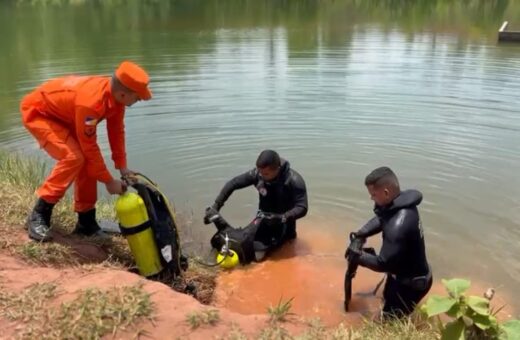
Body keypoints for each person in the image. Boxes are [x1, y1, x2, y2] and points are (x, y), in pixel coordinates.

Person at [20, 61, 152, 242]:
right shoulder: (91, 105)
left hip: (69, 117)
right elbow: (89, 147)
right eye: (137, 98)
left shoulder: (116, 100)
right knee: (74, 158)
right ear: (123, 94)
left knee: (88, 162)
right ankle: (39, 213)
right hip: (40, 115)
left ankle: (86, 222)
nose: (138, 101)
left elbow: (116, 132)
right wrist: (108, 180)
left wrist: (122, 167)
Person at [348, 166, 432, 318]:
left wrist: (357, 255)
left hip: (411, 285)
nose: (371, 198)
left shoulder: (399, 225)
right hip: (402, 273)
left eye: (373, 194)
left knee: (389, 320)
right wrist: (361, 234)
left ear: (386, 193)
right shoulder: (399, 205)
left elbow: (383, 263)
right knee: (386, 298)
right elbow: (381, 219)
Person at [205, 150, 308, 258]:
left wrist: (282, 217)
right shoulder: (257, 174)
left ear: (277, 169)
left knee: (264, 256)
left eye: (266, 174)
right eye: (260, 172)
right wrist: (216, 206)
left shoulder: (294, 180)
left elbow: (302, 207)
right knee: (241, 244)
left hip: (284, 223)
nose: (261, 176)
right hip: (262, 218)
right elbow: (233, 184)